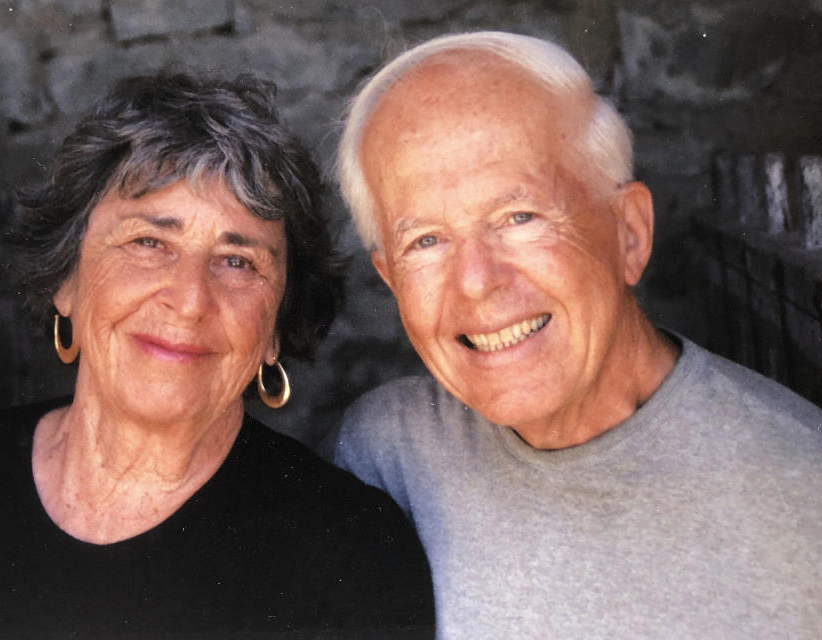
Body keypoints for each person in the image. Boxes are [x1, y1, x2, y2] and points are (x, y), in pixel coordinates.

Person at [0, 72, 434, 638]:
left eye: (238, 261)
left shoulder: (352, 557)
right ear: (67, 277)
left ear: (276, 329)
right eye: (149, 243)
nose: (190, 300)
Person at [325, 31, 822, 638]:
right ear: (390, 279)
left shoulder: (804, 498)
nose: (477, 283)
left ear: (629, 234)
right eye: (425, 240)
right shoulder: (384, 454)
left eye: (518, 217)